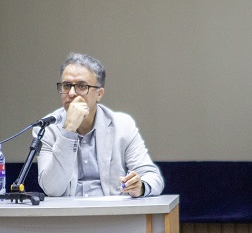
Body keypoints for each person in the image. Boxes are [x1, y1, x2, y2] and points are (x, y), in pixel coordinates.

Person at [36, 52, 164, 198]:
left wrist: (140, 187)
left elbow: (153, 178)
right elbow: (52, 189)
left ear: (99, 94)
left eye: (81, 86)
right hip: (68, 211)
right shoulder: (46, 128)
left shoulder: (123, 125)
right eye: (66, 86)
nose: (71, 93)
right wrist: (68, 130)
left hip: (112, 210)